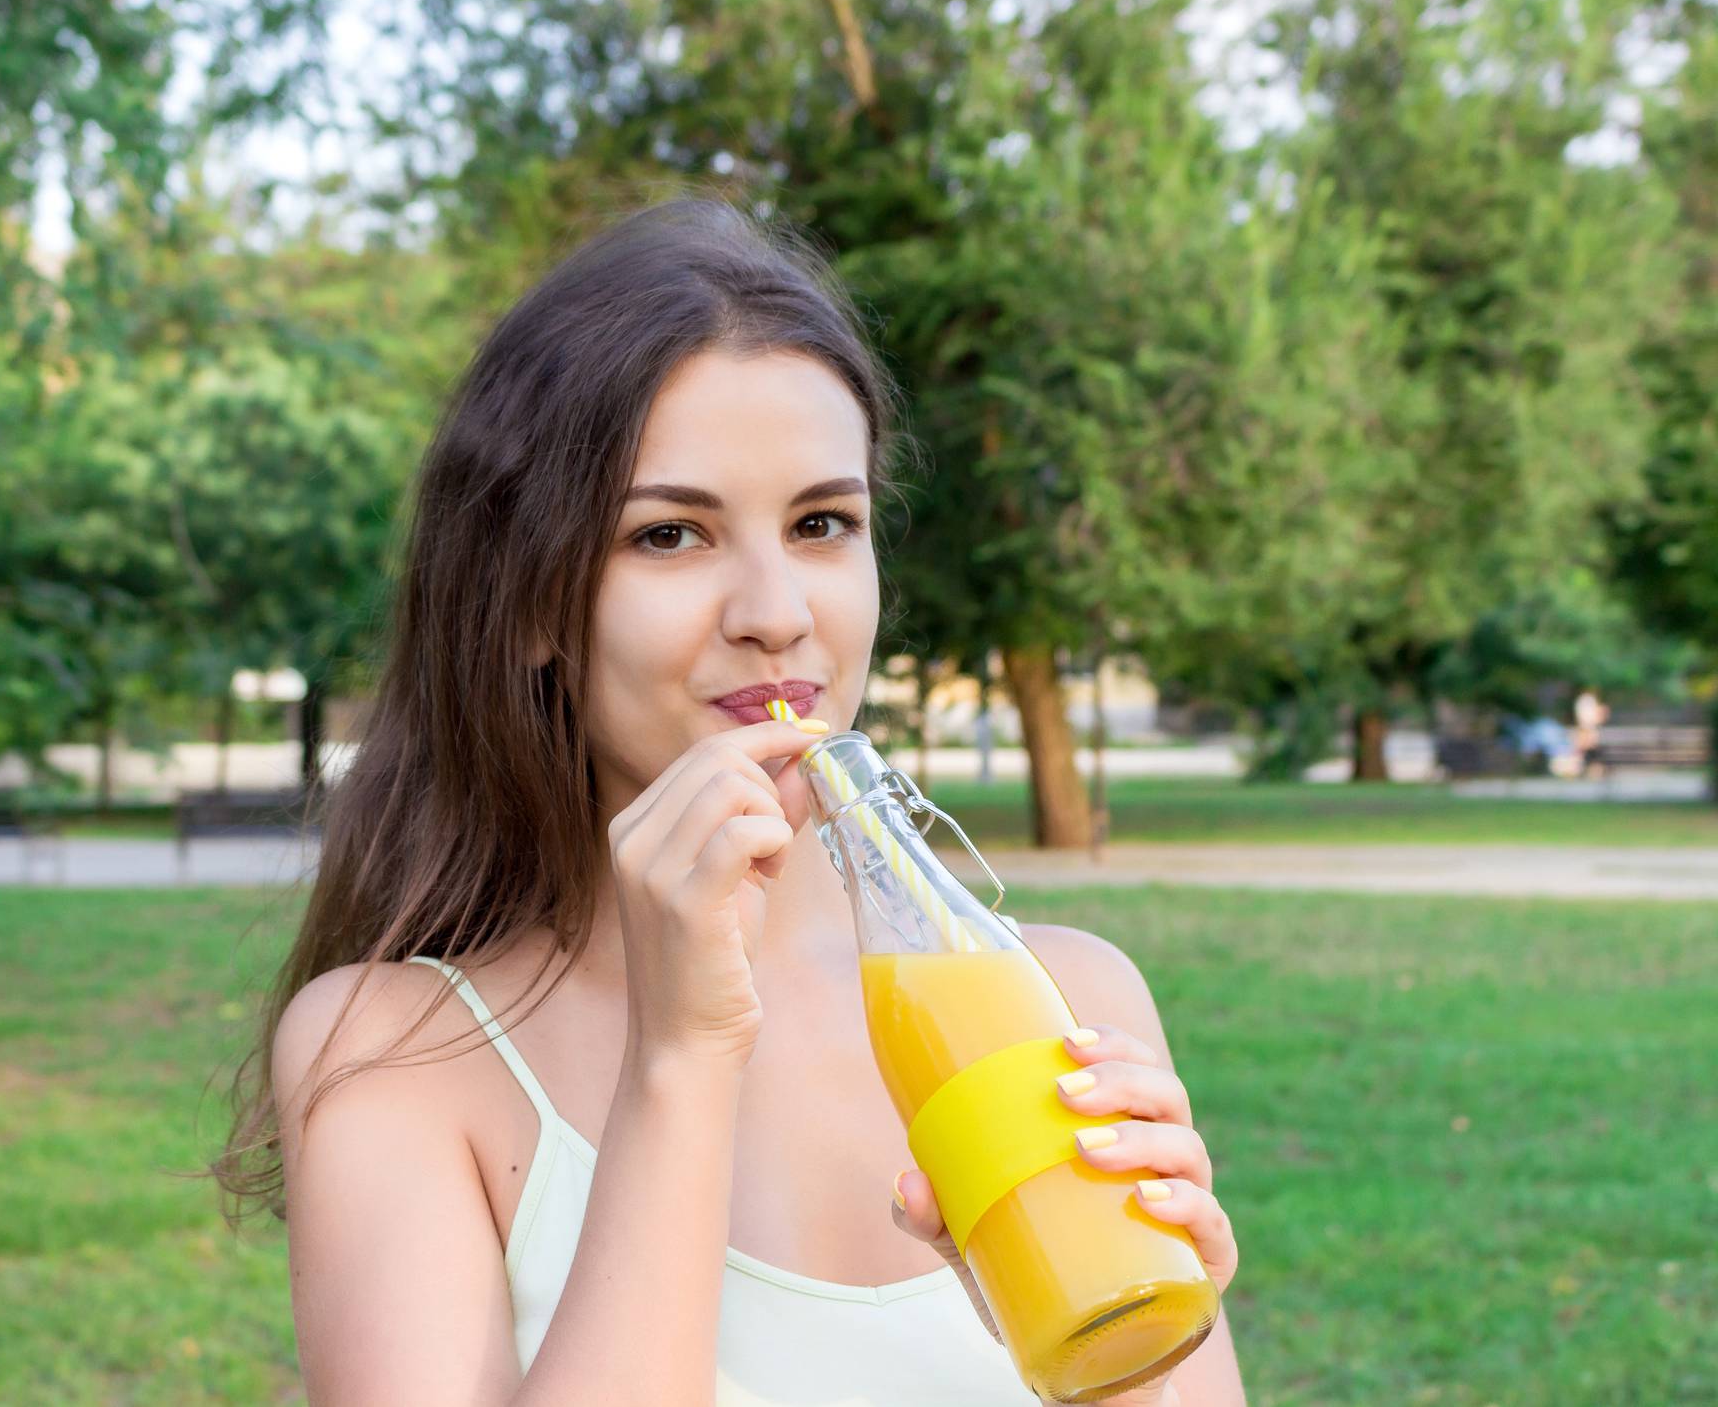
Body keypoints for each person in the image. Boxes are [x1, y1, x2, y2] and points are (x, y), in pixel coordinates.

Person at [211, 197, 1245, 1405]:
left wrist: (1122, 1372)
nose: (774, 610)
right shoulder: (390, 1054)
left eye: (821, 523)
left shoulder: (1069, 1008)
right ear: (537, 602)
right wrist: (680, 1055)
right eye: (669, 535)